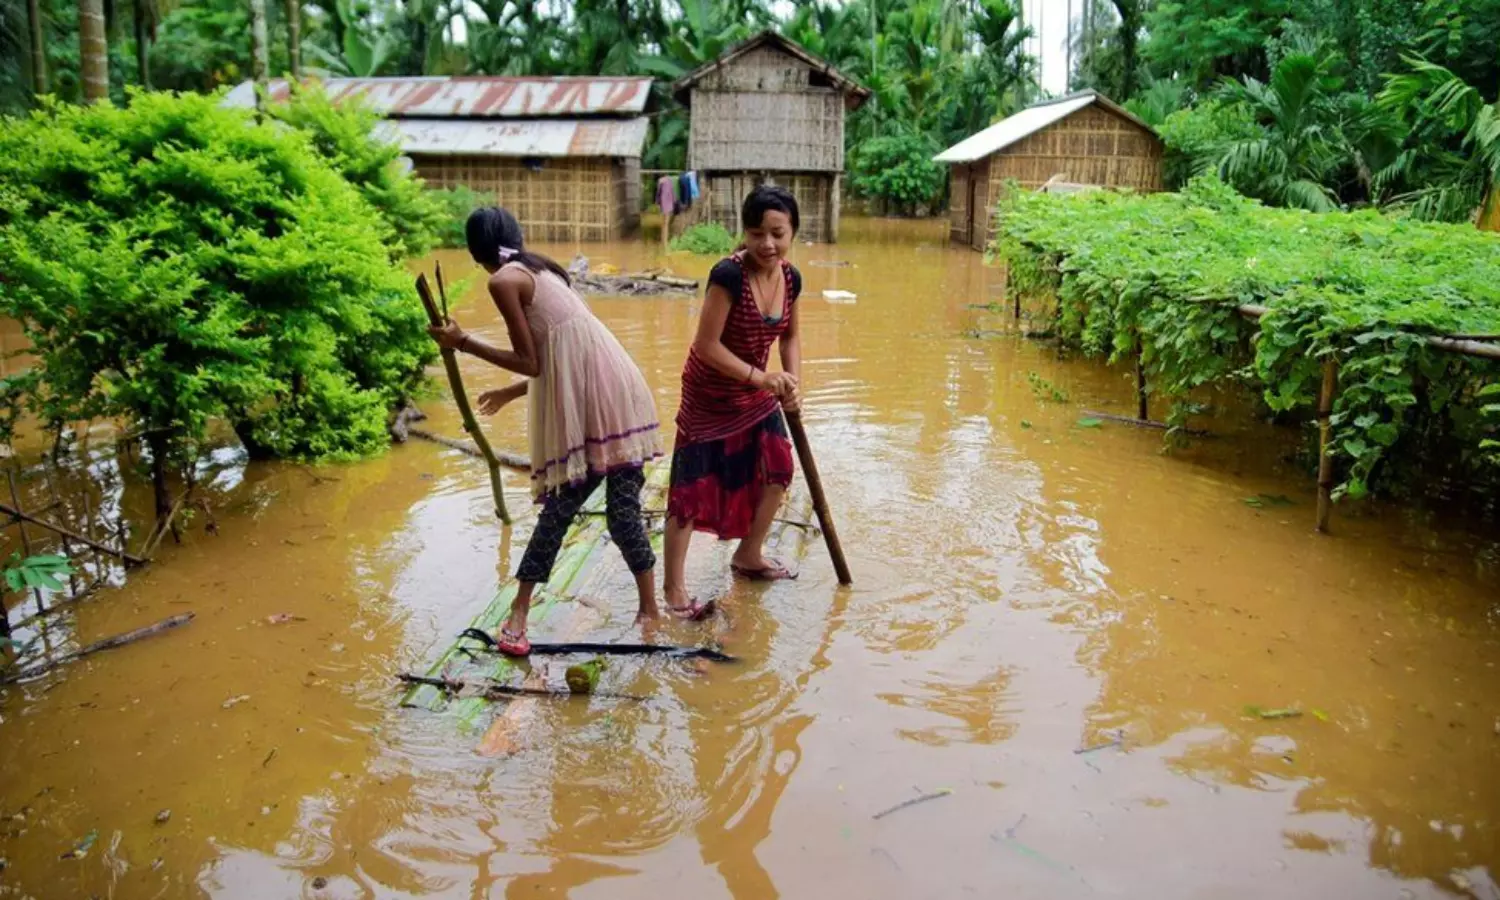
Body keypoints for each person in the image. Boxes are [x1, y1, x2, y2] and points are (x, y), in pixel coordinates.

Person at [428, 207, 664, 656]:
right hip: (619, 390)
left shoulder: (503, 281)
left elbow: (536, 361)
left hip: (597, 402)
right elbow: (561, 354)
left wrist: (462, 342)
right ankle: (643, 609)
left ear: (475, 252)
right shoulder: (541, 269)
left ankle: (526, 614)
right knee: (604, 512)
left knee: (577, 511)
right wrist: (511, 393)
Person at [662, 186, 804, 619]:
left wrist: (793, 381)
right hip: (709, 394)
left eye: (777, 233)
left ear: (793, 231)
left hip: (756, 393)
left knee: (779, 468)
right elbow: (705, 345)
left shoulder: (792, 277)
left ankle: (748, 555)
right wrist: (763, 378)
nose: (768, 244)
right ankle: (673, 589)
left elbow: (790, 336)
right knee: (690, 489)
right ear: (745, 232)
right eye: (757, 232)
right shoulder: (728, 275)